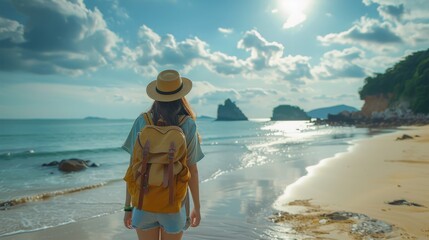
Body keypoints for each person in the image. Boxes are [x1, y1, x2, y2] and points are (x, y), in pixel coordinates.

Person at [122, 69, 204, 240]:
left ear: (156, 95)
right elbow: (192, 171)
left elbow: (132, 168)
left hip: (143, 203)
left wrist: (128, 208)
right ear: (181, 95)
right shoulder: (187, 124)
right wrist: (197, 206)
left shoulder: (142, 121)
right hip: (174, 205)